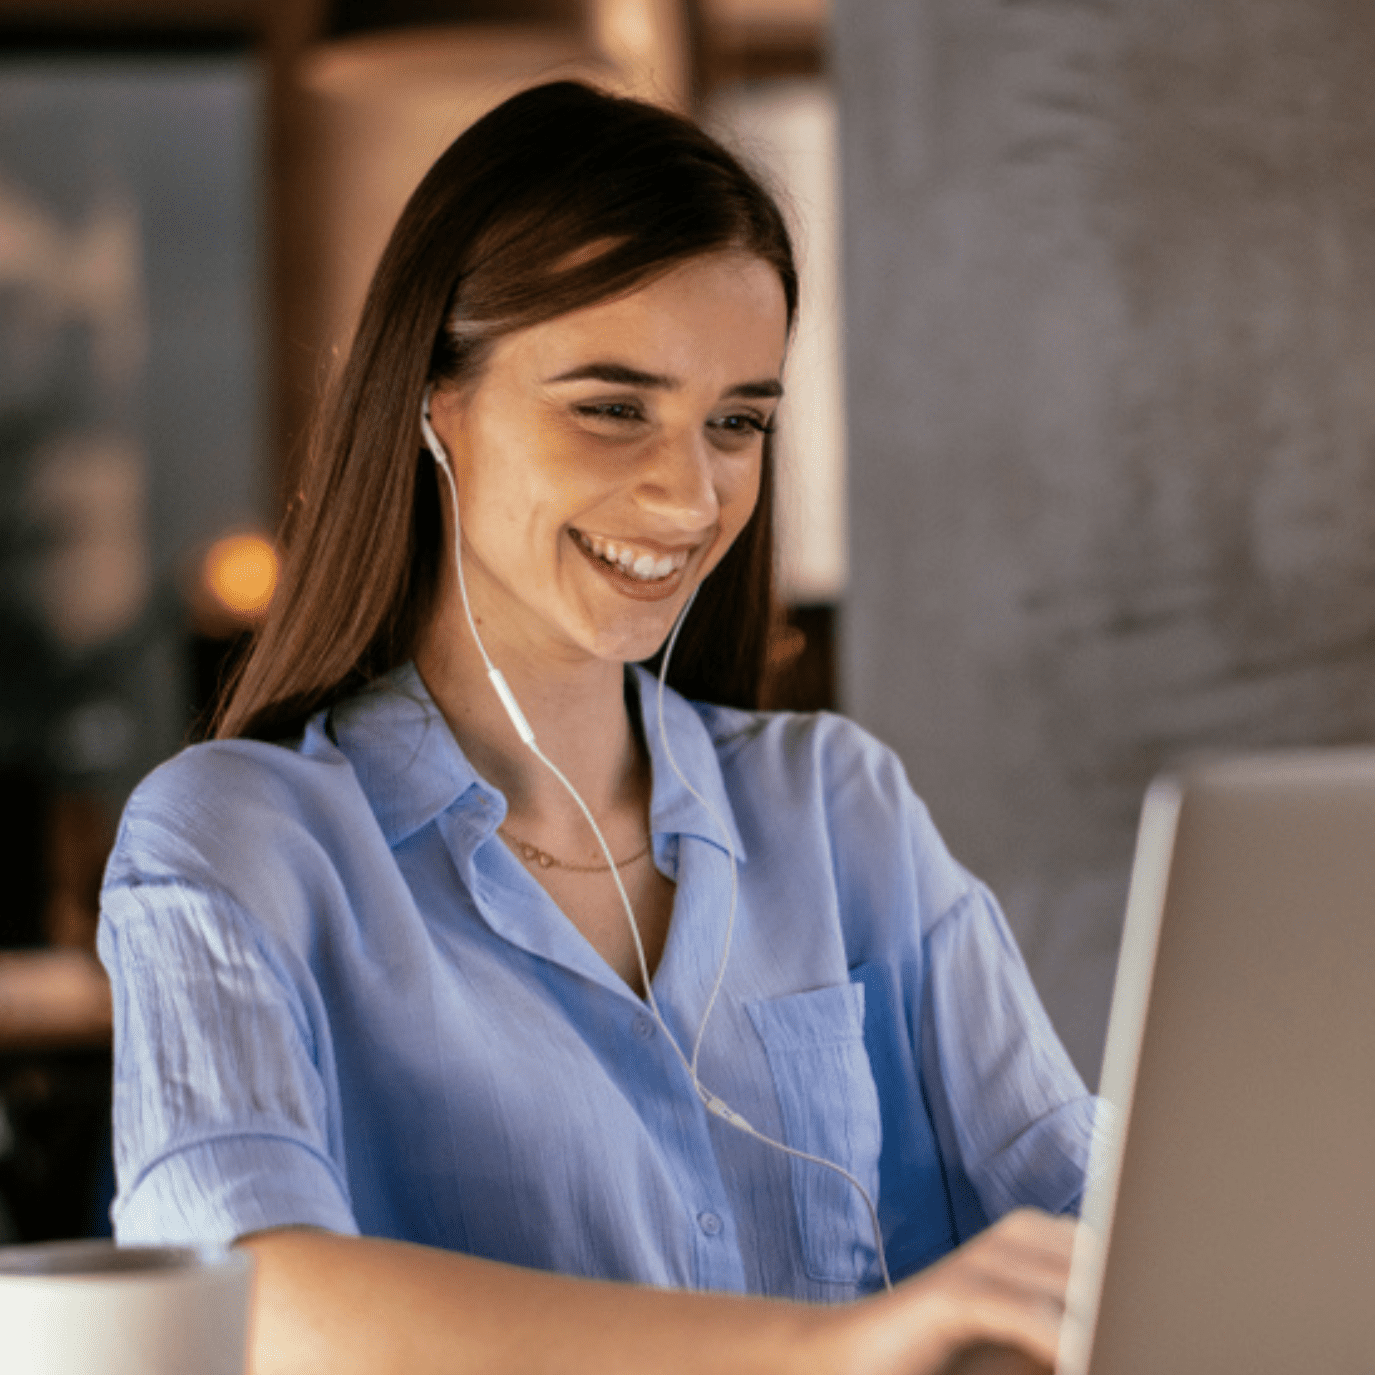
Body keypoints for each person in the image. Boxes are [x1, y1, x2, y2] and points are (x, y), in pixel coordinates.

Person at [98, 81, 1097, 1374]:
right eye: (611, 406)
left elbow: (1092, 1220)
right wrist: (833, 1347)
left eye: (736, 420)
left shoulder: (834, 807)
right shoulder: (239, 837)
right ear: (434, 402)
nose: (688, 491)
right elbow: (244, 1297)